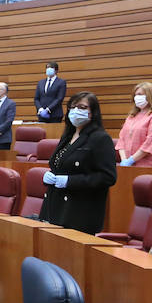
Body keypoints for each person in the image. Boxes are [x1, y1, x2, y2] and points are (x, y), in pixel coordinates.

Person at [38, 93, 116, 234]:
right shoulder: (68, 136)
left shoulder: (100, 138)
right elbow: (58, 164)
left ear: (93, 112)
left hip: (79, 213)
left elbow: (107, 177)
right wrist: (49, 175)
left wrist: (70, 181)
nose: (75, 111)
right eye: (72, 107)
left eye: (82, 107)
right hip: (54, 206)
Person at [116, 83, 152, 166]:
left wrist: (131, 160)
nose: (137, 98)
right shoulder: (131, 116)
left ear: (150, 96)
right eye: (135, 95)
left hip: (145, 165)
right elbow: (121, 140)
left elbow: (149, 143)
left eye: (140, 94)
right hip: (127, 166)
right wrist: (124, 160)